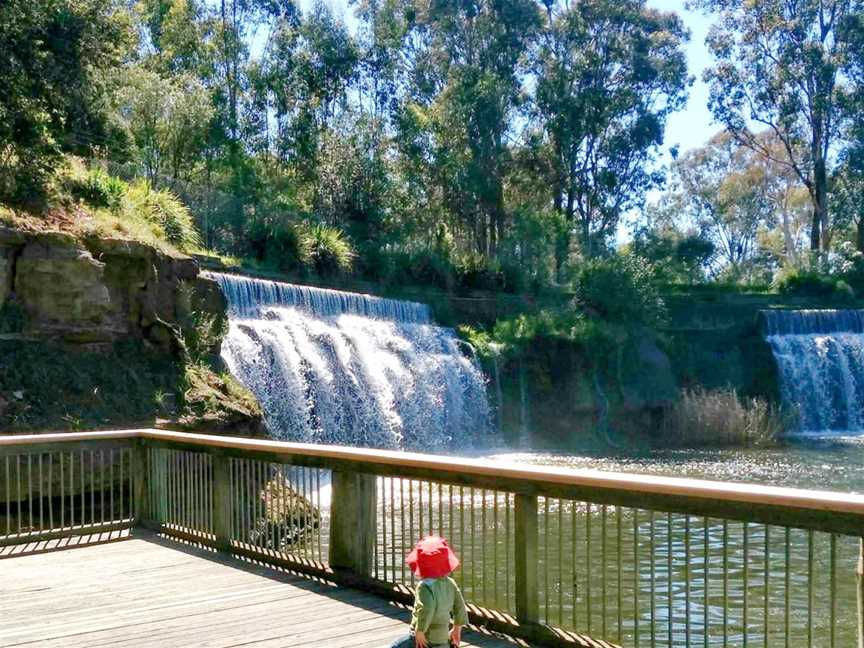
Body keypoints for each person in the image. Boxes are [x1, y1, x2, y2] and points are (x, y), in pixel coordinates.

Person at [389, 535, 469, 648]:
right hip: (442, 638)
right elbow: (460, 607)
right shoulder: (450, 583)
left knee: (395, 646)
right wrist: (457, 628)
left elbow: (427, 608)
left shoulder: (424, 586)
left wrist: (420, 631)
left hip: (425, 636)